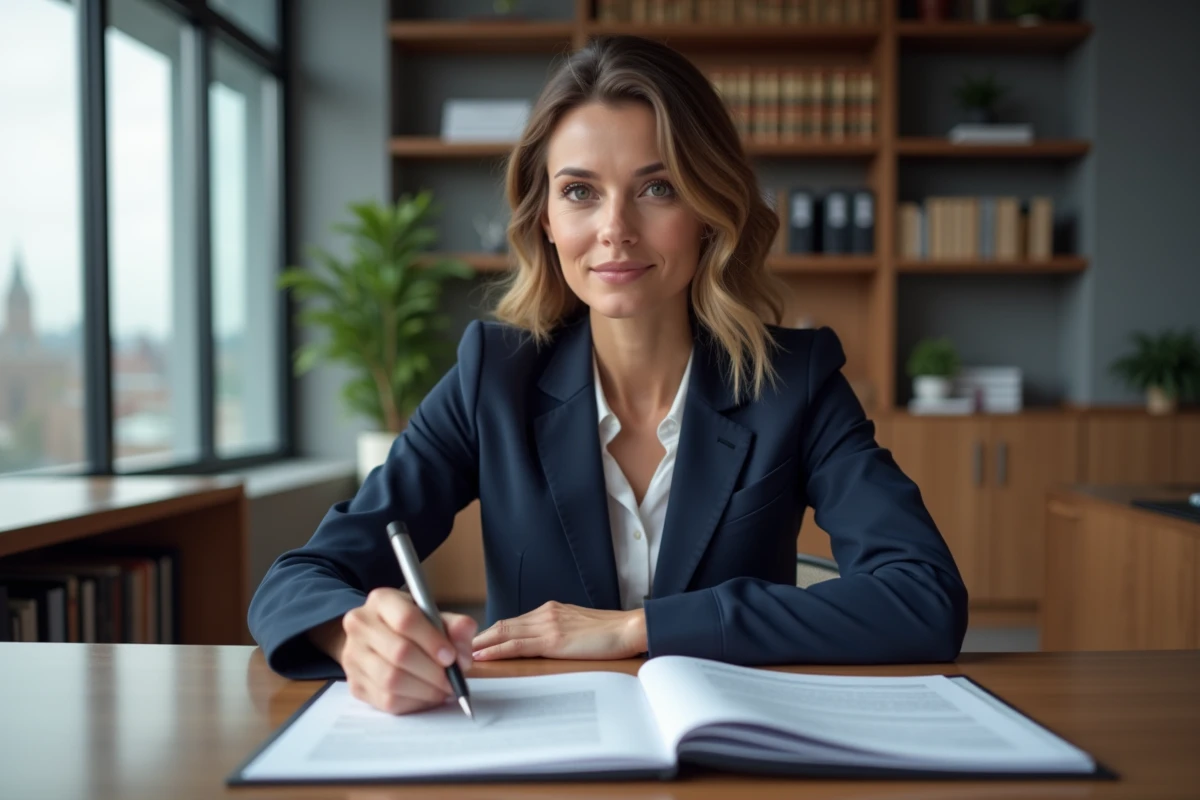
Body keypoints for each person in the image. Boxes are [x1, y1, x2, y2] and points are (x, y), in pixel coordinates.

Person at [248, 34, 968, 715]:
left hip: (734, 755)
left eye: (657, 190)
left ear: (711, 212)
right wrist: (353, 639)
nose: (614, 228)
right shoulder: (492, 378)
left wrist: (639, 628)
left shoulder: (793, 383)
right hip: (541, 753)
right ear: (546, 220)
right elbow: (295, 582)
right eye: (581, 192)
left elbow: (923, 598)